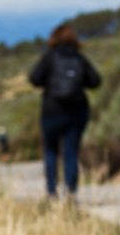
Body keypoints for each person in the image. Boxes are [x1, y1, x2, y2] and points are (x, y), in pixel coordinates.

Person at [27, 23, 101, 197]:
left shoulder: (50, 57)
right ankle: (71, 192)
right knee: (71, 152)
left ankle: (51, 192)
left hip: (52, 111)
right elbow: (96, 81)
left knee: (51, 151)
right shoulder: (79, 58)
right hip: (76, 113)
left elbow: (34, 78)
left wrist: (50, 82)